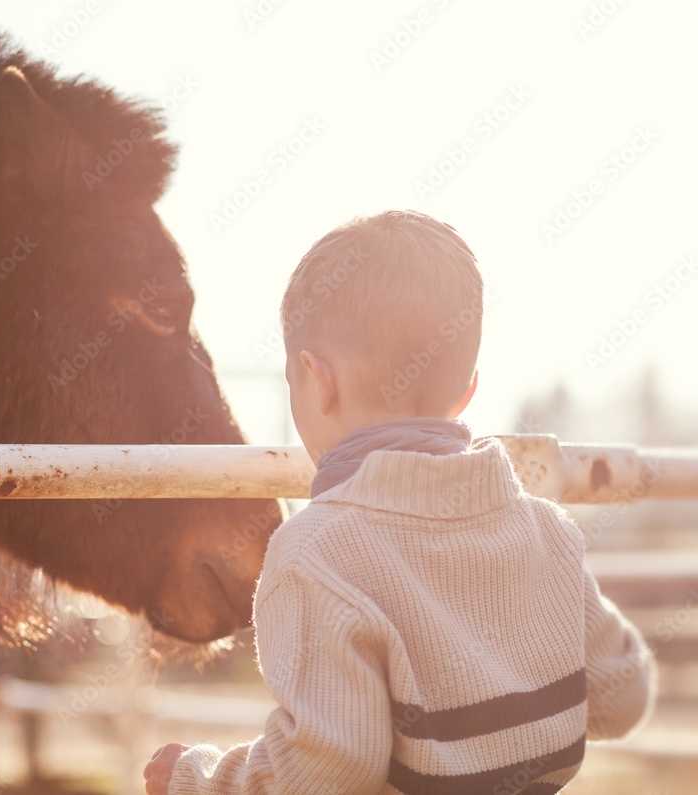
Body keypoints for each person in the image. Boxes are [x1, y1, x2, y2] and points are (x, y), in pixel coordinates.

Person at [143, 210, 654, 795]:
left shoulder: (316, 556)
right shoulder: (547, 532)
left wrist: (200, 779)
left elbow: (331, 768)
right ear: (466, 392)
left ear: (317, 379)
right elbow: (624, 697)